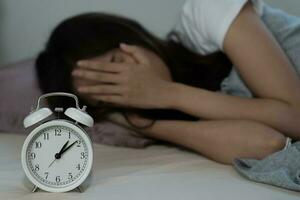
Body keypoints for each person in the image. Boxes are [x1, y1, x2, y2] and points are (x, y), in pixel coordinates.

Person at [36, 0, 300, 165]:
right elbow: (267, 144)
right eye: (109, 92)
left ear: (129, 36)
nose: (130, 86)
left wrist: (168, 93)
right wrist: (144, 124)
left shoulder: (206, 13)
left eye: (116, 66)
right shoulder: (176, 116)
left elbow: (295, 118)